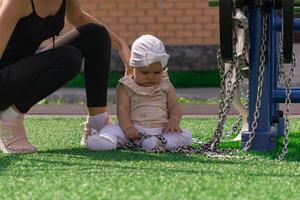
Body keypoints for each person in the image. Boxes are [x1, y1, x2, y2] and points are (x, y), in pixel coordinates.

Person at [0, 0, 131, 153]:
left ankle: (97, 123)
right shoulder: (17, 2)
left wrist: (121, 45)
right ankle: (8, 119)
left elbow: (77, 18)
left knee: (97, 34)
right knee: (68, 58)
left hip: (20, 74)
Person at [84, 35, 192, 151]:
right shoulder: (127, 85)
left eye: (157, 72)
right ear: (133, 67)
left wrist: (173, 121)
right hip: (133, 129)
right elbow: (122, 109)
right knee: (110, 129)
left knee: (185, 135)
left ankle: (156, 143)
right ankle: (107, 141)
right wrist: (128, 127)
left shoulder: (166, 84)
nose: (151, 76)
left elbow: (174, 106)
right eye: (144, 72)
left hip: (161, 130)